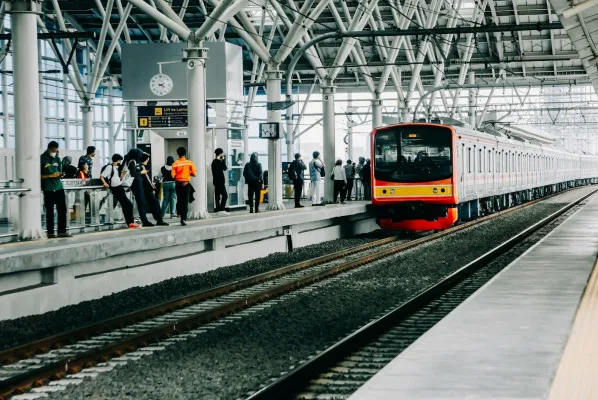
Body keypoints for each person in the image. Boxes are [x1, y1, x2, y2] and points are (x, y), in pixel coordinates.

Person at [41, 141, 71, 238]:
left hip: (59, 187)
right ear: (49, 149)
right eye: (53, 150)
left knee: (62, 210)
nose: (55, 152)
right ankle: (50, 232)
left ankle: (62, 231)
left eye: (56, 150)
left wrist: (60, 175)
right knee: (49, 211)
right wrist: (50, 175)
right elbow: (38, 175)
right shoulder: (42, 159)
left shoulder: (58, 158)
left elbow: (60, 171)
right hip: (48, 189)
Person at [100, 154, 139, 229]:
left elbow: (116, 178)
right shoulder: (109, 167)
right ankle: (130, 222)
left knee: (125, 205)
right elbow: (102, 176)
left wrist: (121, 176)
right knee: (129, 205)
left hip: (119, 187)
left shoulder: (115, 167)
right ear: (117, 160)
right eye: (119, 160)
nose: (120, 162)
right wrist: (104, 183)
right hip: (116, 188)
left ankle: (130, 222)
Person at [121, 148, 155, 227]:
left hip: (133, 183)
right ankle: (144, 221)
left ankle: (143, 220)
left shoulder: (130, 160)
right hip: (134, 183)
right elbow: (133, 174)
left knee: (140, 202)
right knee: (140, 201)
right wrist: (142, 172)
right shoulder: (132, 161)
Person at [141, 153, 169, 226]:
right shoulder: (141, 167)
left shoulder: (143, 167)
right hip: (146, 189)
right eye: (147, 159)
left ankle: (158, 220)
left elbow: (147, 179)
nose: (148, 160)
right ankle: (159, 220)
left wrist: (152, 186)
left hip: (147, 189)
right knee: (155, 203)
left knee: (154, 203)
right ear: (146, 159)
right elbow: (145, 180)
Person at [172, 147, 197, 226]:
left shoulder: (175, 164)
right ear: (185, 154)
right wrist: (187, 173)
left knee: (179, 200)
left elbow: (173, 175)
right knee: (185, 201)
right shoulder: (189, 163)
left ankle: (179, 212)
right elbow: (194, 174)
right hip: (185, 184)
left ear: (178, 154)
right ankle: (183, 219)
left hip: (178, 184)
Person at [211, 148, 228, 214]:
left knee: (217, 195)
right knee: (225, 195)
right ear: (220, 154)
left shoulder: (213, 162)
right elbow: (225, 168)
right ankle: (222, 208)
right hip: (220, 181)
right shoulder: (218, 162)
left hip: (215, 181)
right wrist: (223, 160)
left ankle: (218, 209)